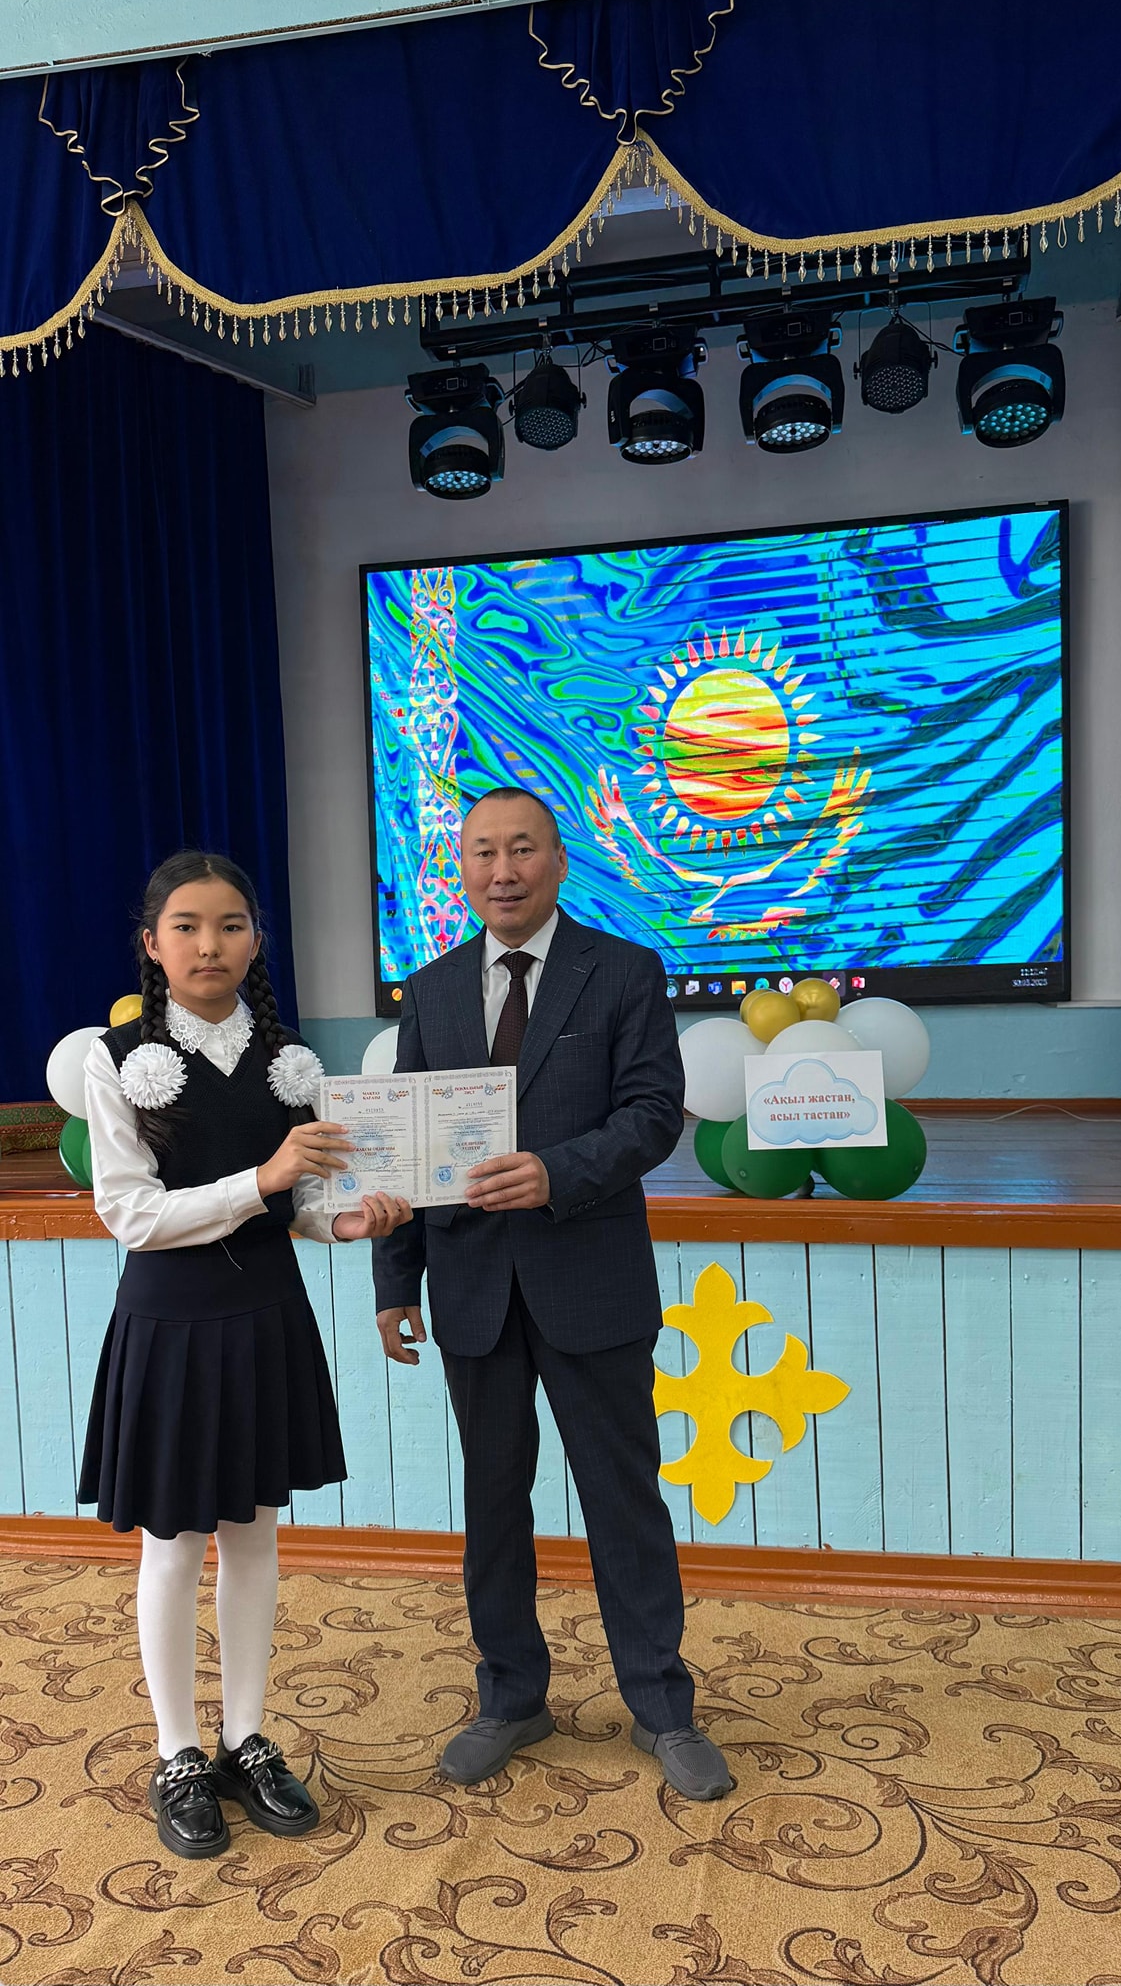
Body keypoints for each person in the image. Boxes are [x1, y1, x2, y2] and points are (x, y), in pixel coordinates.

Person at [373, 787, 731, 1801]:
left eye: (522, 848)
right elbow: (405, 1149)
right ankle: (511, 1697)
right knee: (493, 1504)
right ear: (461, 866)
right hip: (471, 1289)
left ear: (559, 859)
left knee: (623, 1499)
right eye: (482, 851)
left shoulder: (622, 970)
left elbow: (654, 1111)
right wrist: (395, 1280)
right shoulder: (430, 989)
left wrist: (555, 1172)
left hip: (591, 1279)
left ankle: (662, 1707)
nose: (503, 870)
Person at [79, 851, 411, 1860]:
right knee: (174, 1543)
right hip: (171, 1323)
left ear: (256, 939)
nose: (208, 944)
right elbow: (131, 1214)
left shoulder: (288, 1058)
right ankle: (176, 1751)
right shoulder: (114, 1056)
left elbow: (300, 1200)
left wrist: (345, 1220)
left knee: (256, 1533)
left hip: (267, 1312)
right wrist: (263, 1180)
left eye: (229, 925)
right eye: (185, 925)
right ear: (151, 943)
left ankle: (245, 1737)